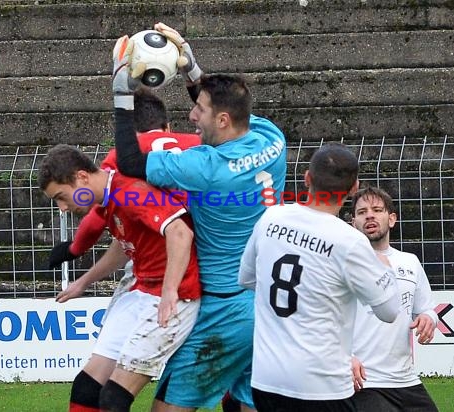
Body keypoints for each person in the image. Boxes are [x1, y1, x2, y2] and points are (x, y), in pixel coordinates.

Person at [112, 23, 287, 411]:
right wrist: (192, 70)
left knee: (169, 407)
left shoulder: (207, 166)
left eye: (199, 110)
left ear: (222, 121)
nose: (192, 115)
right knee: (244, 403)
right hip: (264, 302)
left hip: (224, 307)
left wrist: (121, 94)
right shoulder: (270, 137)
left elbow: (129, 161)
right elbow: (222, 101)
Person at [38, 144, 201, 412]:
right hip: (141, 291)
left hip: (173, 297)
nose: (63, 207)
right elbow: (125, 244)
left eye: (61, 196)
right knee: (86, 389)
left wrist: (170, 291)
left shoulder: (131, 191)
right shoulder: (110, 198)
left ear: (81, 177)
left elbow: (180, 234)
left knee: (113, 398)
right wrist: (84, 282)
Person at [238, 143, 400, 412]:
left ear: (307, 178)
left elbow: (247, 278)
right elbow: (389, 310)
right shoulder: (350, 241)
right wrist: (384, 267)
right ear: (353, 188)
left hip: (267, 380)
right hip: (321, 385)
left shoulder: (271, 217)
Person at [48, 88, 200, 269]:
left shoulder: (120, 158)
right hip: (207, 242)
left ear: (126, 135)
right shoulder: (199, 144)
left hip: (160, 252)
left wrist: (74, 249)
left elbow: (100, 211)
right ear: (167, 127)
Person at [350, 186, 439, 412]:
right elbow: (323, 320)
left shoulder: (410, 261)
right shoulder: (344, 264)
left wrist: (429, 319)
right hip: (364, 382)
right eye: (362, 212)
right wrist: (344, 358)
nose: (369, 215)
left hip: (406, 380)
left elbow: (426, 308)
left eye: (377, 210)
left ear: (391, 219)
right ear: (353, 224)